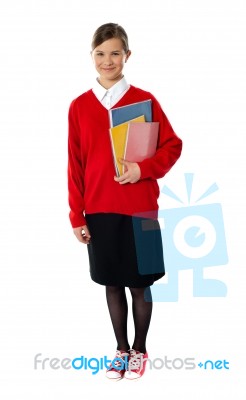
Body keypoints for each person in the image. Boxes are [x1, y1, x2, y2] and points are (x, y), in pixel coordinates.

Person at [67, 22, 182, 380]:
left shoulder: (144, 102)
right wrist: (76, 215)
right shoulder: (79, 107)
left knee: (140, 283)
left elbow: (172, 146)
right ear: (92, 57)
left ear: (126, 56)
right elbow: (75, 163)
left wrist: (142, 169)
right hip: (99, 210)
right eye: (100, 53)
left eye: (115, 53)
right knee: (112, 282)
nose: (107, 60)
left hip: (141, 208)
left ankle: (140, 350)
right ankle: (121, 349)